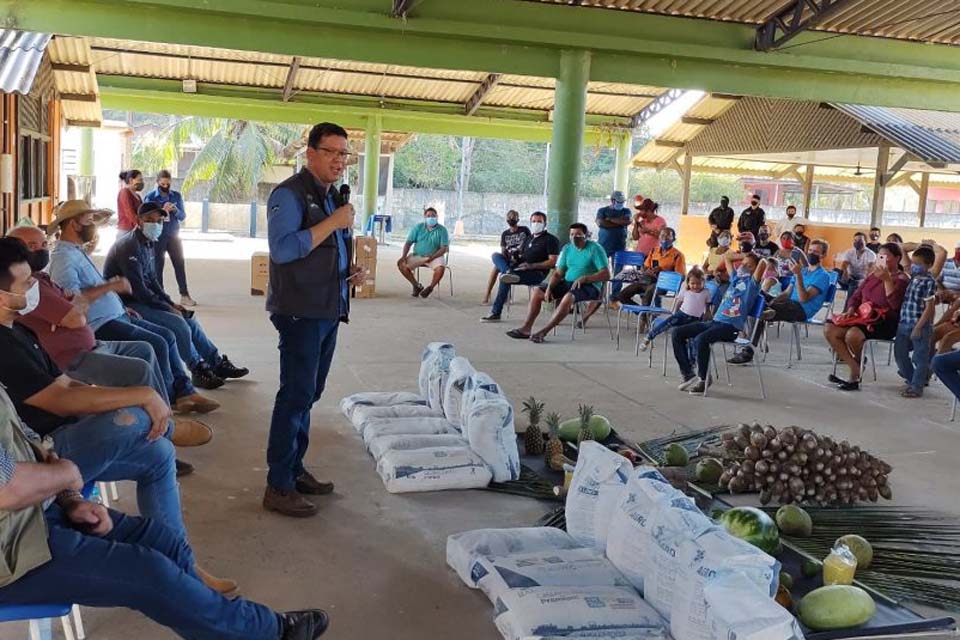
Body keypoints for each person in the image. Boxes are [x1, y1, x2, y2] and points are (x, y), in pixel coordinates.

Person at [0, 238, 241, 592]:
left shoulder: (19, 329)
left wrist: (120, 398)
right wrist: (141, 398)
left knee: (157, 455)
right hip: (45, 456)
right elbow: (58, 401)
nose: (34, 288)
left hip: (72, 436)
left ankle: (184, 567)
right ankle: (169, 427)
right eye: (26, 285)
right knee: (140, 417)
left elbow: (67, 385)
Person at [0, 387, 330, 639]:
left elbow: (31, 443)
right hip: (13, 553)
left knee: (159, 539)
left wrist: (71, 497)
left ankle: (215, 622)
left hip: (36, 514)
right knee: (147, 572)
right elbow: (8, 488)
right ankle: (268, 631)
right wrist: (67, 476)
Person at [7, 226, 217, 419]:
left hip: (102, 329)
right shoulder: (48, 274)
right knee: (154, 351)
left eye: (44, 244)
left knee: (154, 343)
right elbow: (77, 315)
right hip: (81, 348)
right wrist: (106, 290)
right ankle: (164, 421)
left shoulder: (45, 275)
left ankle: (176, 397)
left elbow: (77, 302)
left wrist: (165, 303)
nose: (41, 250)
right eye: (32, 246)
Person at [265, 121, 365, 518]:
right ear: (310, 153)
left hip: (326, 308)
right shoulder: (289, 195)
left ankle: (294, 467)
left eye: (345, 154)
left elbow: (328, 248)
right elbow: (284, 250)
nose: (340, 161)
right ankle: (278, 484)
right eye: (332, 152)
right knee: (294, 396)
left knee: (309, 394)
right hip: (299, 312)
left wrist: (348, 272)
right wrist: (334, 223)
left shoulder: (329, 198)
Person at [49, 200, 223, 403]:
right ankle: (171, 397)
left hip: (119, 313)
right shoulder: (64, 258)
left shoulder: (77, 251)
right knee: (160, 340)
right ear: (73, 224)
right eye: (89, 220)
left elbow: (151, 281)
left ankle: (185, 390)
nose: (93, 225)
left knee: (168, 335)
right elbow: (70, 302)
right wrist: (111, 287)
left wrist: (122, 306)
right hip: (101, 323)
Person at [103, 202, 249, 390]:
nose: (155, 224)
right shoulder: (129, 247)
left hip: (142, 299)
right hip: (128, 305)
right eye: (149, 220)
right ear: (139, 221)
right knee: (178, 324)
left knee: (189, 319)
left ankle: (216, 363)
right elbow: (139, 291)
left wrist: (171, 302)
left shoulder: (147, 243)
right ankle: (197, 368)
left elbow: (153, 280)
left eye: (159, 220)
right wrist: (168, 308)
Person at [672, 251, 765, 394]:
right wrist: (745, 258)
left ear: (755, 269)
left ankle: (703, 379)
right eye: (743, 264)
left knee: (701, 339)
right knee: (677, 332)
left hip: (730, 328)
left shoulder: (752, 284)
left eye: (749, 266)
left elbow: (763, 264)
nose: (744, 267)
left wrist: (756, 260)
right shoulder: (735, 279)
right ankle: (688, 374)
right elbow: (727, 257)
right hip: (715, 322)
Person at [728, 239, 833, 365]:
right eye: (810, 250)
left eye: (815, 252)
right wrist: (773, 300)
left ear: (823, 255)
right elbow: (787, 293)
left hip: (801, 309)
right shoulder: (803, 270)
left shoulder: (822, 276)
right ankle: (766, 310)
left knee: (761, 309)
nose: (811, 253)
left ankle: (748, 351)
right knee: (755, 297)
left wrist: (798, 275)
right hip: (787, 303)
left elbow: (803, 298)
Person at [505, 223, 609, 344]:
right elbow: (558, 273)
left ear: (586, 236)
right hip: (568, 282)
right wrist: (549, 288)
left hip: (590, 286)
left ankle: (543, 332)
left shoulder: (595, 249)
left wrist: (586, 278)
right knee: (537, 291)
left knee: (568, 297)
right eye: (572, 234)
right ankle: (526, 328)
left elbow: (606, 274)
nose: (575, 237)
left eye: (578, 235)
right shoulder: (567, 249)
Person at [824, 243, 909, 391]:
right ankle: (855, 366)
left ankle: (854, 373)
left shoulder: (901, 279)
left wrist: (887, 280)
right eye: (880, 256)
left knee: (853, 335)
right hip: (864, 316)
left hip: (884, 320)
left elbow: (895, 304)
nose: (882, 260)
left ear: (897, 258)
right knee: (830, 329)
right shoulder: (872, 276)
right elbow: (857, 295)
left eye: (886, 256)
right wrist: (850, 308)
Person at [481, 211, 559, 322]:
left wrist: (532, 266)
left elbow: (552, 262)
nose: (536, 224)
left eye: (539, 221)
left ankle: (495, 312)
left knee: (505, 278)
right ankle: (508, 270)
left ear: (545, 224)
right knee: (496, 256)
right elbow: (522, 255)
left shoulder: (551, 240)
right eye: (534, 221)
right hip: (520, 268)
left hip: (537, 273)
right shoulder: (529, 239)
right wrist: (515, 258)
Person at [144, 169, 195, 307]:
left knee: (179, 264)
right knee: (157, 267)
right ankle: (160, 295)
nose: (165, 186)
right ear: (157, 182)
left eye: (168, 184)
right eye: (163, 183)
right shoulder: (150, 198)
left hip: (173, 235)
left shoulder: (176, 196)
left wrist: (175, 210)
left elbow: (183, 216)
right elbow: (147, 219)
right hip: (157, 236)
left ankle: (184, 294)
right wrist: (163, 211)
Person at [894, 245, 940, 398]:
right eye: (914, 263)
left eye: (918, 264)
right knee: (900, 355)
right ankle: (912, 378)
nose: (914, 266)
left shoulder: (929, 282)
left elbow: (929, 308)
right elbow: (903, 252)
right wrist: (916, 246)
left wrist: (919, 327)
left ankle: (916, 387)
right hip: (903, 323)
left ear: (928, 265)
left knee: (920, 357)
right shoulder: (912, 277)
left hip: (919, 324)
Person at [638, 269, 710, 352]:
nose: (695, 286)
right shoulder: (685, 290)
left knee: (692, 341)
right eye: (692, 283)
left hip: (696, 319)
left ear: (703, 283)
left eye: (699, 284)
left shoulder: (706, 292)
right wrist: (675, 312)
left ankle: (692, 362)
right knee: (666, 323)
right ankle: (649, 336)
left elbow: (707, 304)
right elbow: (679, 302)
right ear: (688, 283)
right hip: (682, 315)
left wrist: (708, 313)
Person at [615, 227, 686, 307]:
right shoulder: (654, 251)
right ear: (659, 237)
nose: (664, 238)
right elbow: (645, 267)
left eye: (668, 236)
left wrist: (662, 272)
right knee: (622, 296)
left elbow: (681, 276)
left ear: (673, 239)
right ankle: (642, 313)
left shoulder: (677, 255)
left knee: (647, 295)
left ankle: (644, 317)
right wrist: (649, 270)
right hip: (647, 280)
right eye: (662, 235)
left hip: (662, 283)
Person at [397, 207, 449, 299]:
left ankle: (430, 288)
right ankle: (416, 285)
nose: (431, 218)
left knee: (440, 268)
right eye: (428, 216)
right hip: (418, 256)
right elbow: (408, 242)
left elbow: (444, 248)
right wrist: (404, 256)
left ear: (437, 217)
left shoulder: (442, 230)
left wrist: (432, 257)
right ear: (425, 217)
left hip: (435, 256)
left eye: (433, 216)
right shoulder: (418, 227)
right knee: (401, 264)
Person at [482, 210, 529, 305]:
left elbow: (530, 244)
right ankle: (487, 294)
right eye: (509, 217)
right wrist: (505, 259)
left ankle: (504, 288)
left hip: (521, 258)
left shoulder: (524, 230)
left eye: (513, 217)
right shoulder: (505, 234)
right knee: (495, 256)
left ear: (518, 219)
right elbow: (503, 251)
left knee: (498, 269)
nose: (511, 219)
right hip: (508, 259)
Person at [595, 190, 632, 259]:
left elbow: (628, 221)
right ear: (612, 200)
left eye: (622, 202)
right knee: (602, 268)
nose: (621, 203)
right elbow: (601, 223)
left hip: (620, 246)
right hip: (604, 245)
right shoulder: (602, 210)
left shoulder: (626, 211)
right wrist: (620, 223)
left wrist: (610, 219)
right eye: (619, 202)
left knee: (618, 269)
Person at [117, 169, 144, 234]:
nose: (142, 182)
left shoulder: (138, 196)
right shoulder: (124, 192)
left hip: (135, 230)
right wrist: (141, 225)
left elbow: (142, 212)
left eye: (142, 180)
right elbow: (129, 213)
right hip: (126, 231)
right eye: (140, 180)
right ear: (131, 180)